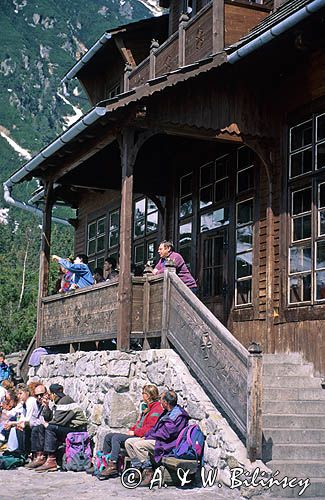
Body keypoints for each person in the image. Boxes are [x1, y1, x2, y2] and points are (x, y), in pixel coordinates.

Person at [97, 385, 163, 480]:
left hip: (142, 436)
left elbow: (149, 428)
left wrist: (135, 432)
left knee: (116, 438)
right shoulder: (147, 408)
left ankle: (113, 465)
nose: (142, 395)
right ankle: (103, 462)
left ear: (148, 395)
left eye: (143, 393)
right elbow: (139, 423)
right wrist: (132, 429)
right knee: (109, 436)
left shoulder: (156, 409)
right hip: (136, 433)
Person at [125, 390, 189, 486]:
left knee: (139, 445)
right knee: (129, 442)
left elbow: (166, 434)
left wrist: (148, 437)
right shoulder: (167, 412)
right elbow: (156, 428)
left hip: (166, 444)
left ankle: (148, 471)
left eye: (161, 400)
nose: (160, 402)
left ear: (166, 403)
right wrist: (146, 436)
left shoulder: (178, 416)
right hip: (156, 439)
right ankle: (137, 469)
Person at [36, 384, 87, 472]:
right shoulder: (59, 402)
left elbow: (58, 421)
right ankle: (40, 456)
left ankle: (51, 460)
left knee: (49, 428)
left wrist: (47, 424)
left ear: (54, 394)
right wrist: (46, 406)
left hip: (76, 430)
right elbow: (49, 418)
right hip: (68, 428)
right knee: (39, 428)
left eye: (50, 394)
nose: (49, 396)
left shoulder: (65, 401)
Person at [4, 383, 39, 456]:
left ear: (27, 392)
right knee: (18, 427)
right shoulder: (23, 403)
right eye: (18, 394)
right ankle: (22, 451)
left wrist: (13, 423)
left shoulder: (30, 401)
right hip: (28, 423)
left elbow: (28, 420)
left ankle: (25, 452)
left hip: (35, 423)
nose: (19, 396)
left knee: (21, 427)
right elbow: (16, 414)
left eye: (21, 393)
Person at [25, 384, 53, 469]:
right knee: (32, 428)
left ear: (46, 393)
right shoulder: (39, 405)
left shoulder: (50, 403)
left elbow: (48, 418)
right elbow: (35, 420)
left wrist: (46, 406)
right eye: (37, 395)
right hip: (42, 425)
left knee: (38, 427)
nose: (40, 397)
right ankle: (35, 455)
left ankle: (41, 456)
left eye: (41, 394)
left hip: (52, 426)